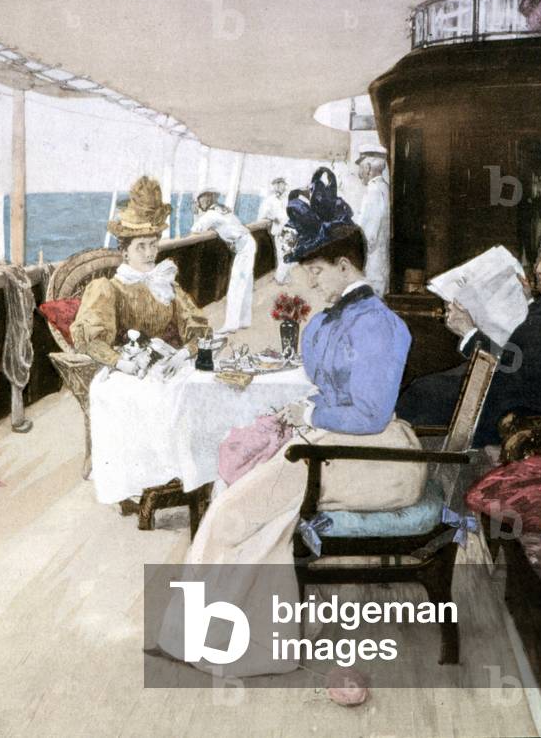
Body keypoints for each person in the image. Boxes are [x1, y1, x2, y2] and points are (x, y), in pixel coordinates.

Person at [154, 212, 425, 677]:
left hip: (378, 458)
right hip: (342, 445)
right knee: (240, 503)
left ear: (345, 266)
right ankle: (216, 636)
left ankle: (211, 639)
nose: (310, 281)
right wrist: (299, 413)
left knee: (232, 510)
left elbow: (371, 413)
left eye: (317, 270)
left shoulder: (377, 324)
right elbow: (335, 388)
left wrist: (310, 415)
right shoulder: (341, 316)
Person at [397, 231, 541, 447]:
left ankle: (397, 456)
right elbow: (536, 348)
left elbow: (514, 366)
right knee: (427, 388)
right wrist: (529, 301)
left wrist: (468, 332)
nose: (537, 269)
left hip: (516, 404)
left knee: (423, 392)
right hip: (515, 391)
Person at [71, 176, 211, 374]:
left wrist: (183, 354)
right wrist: (123, 364)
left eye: (153, 245)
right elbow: (93, 341)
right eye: (141, 247)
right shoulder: (108, 288)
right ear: (125, 252)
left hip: (169, 365)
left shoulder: (167, 286)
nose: (149, 253)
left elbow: (199, 330)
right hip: (125, 370)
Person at [190, 188, 256, 334]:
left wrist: (195, 214)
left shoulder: (211, 214)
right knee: (246, 284)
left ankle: (231, 324)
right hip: (248, 242)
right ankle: (244, 320)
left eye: (201, 199)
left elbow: (196, 229)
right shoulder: (222, 209)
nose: (200, 202)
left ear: (207, 199)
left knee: (236, 286)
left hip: (243, 247)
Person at [352, 144, 390, 296]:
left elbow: (368, 236)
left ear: (368, 168)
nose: (359, 173)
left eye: (360, 168)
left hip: (372, 268)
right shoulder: (384, 188)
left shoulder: (373, 191)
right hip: (380, 267)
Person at [257, 176, 293, 283]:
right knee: (280, 255)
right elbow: (261, 216)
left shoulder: (288, 199)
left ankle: (280, 278)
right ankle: (282, 278)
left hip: (289, 230)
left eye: (282, 184)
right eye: (279, 184)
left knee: (287, 254)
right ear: (275, 186)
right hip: (278, 230)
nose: (281, 186)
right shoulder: (269, 200)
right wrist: (273, 218)